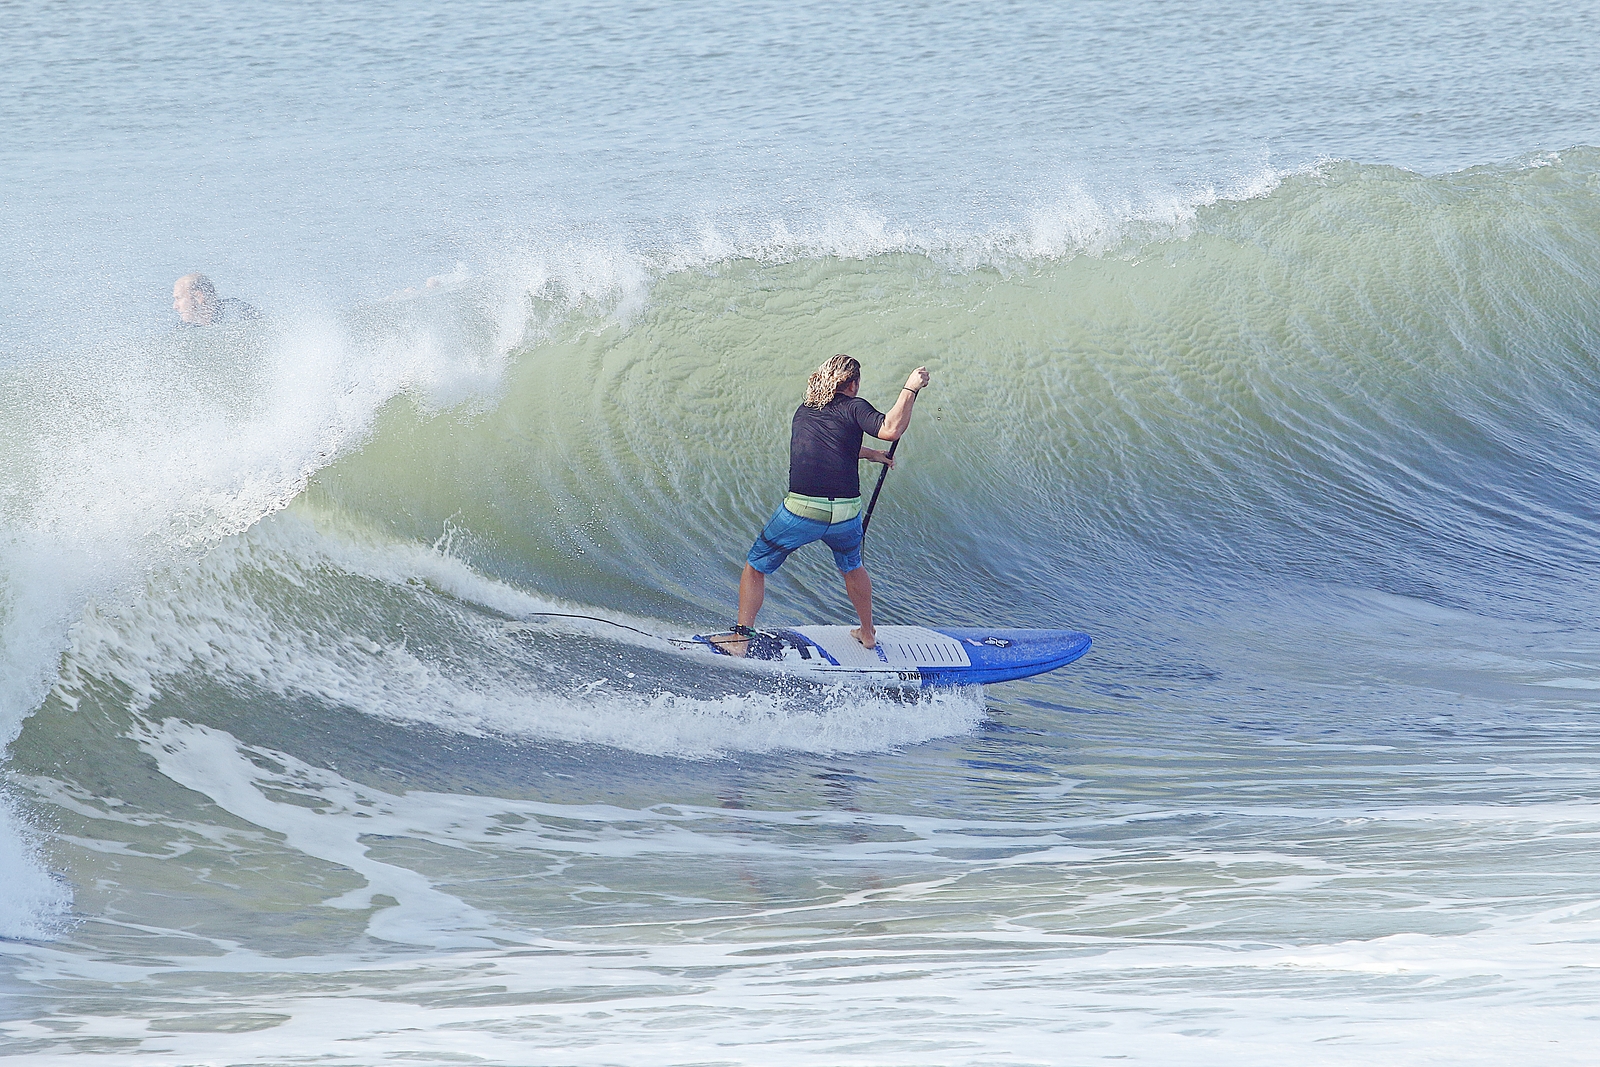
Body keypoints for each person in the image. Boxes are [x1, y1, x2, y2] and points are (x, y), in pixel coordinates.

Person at [726, 354, 930, 655]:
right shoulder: (855, 406)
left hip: (803, 511)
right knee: (853, 567)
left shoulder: (805, 411)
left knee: (755, 565)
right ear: (853, 383)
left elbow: (833, 442)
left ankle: (742, 637)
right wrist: (910, 389)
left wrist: (871, 453)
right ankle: (867, 632)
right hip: (846, 514)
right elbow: (888, 430)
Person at [172, 273, 259, 326]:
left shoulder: (235, 311)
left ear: (198, 297)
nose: (175, 306)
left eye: (178, 298)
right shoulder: (184, 329)